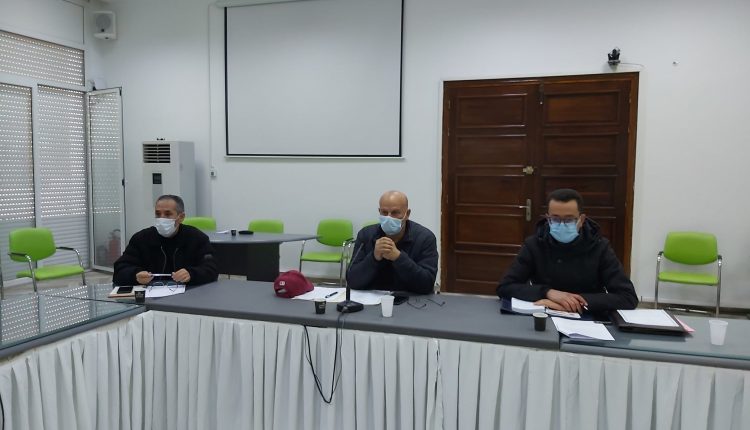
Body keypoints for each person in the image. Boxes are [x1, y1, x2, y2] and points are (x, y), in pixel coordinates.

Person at [497, 188, 638, 313]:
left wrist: (572, 303)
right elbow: (505, 287)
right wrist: (547, 292)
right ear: (548, 219)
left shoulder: (600, 247)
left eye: (569, 220)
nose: (562, 225)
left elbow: (628, 297)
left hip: (589, 317)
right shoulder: (534, 245)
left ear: (581, 220)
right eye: (555, 219)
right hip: (544, 314)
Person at [113, 195, 218, 286]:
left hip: (188, 294)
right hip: (150, 295)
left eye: (168, 214)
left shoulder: (196, 238)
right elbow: (120, 270)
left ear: (181, 217)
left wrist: (191, 274)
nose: (161, 218)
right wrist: (135, 275)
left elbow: (212, 268)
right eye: (158, 214)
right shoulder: (141, 238)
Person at [346, 190, 438, 294]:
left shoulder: (425, 238)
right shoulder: (365, 235)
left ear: (407, 214)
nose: (389, 217)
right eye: (384, 212)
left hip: (410, 298)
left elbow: (426, 285)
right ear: (379, 211)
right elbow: (352, 281)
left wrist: (398, 258)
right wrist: (374, 257)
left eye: (395, 213)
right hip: (373, 298)